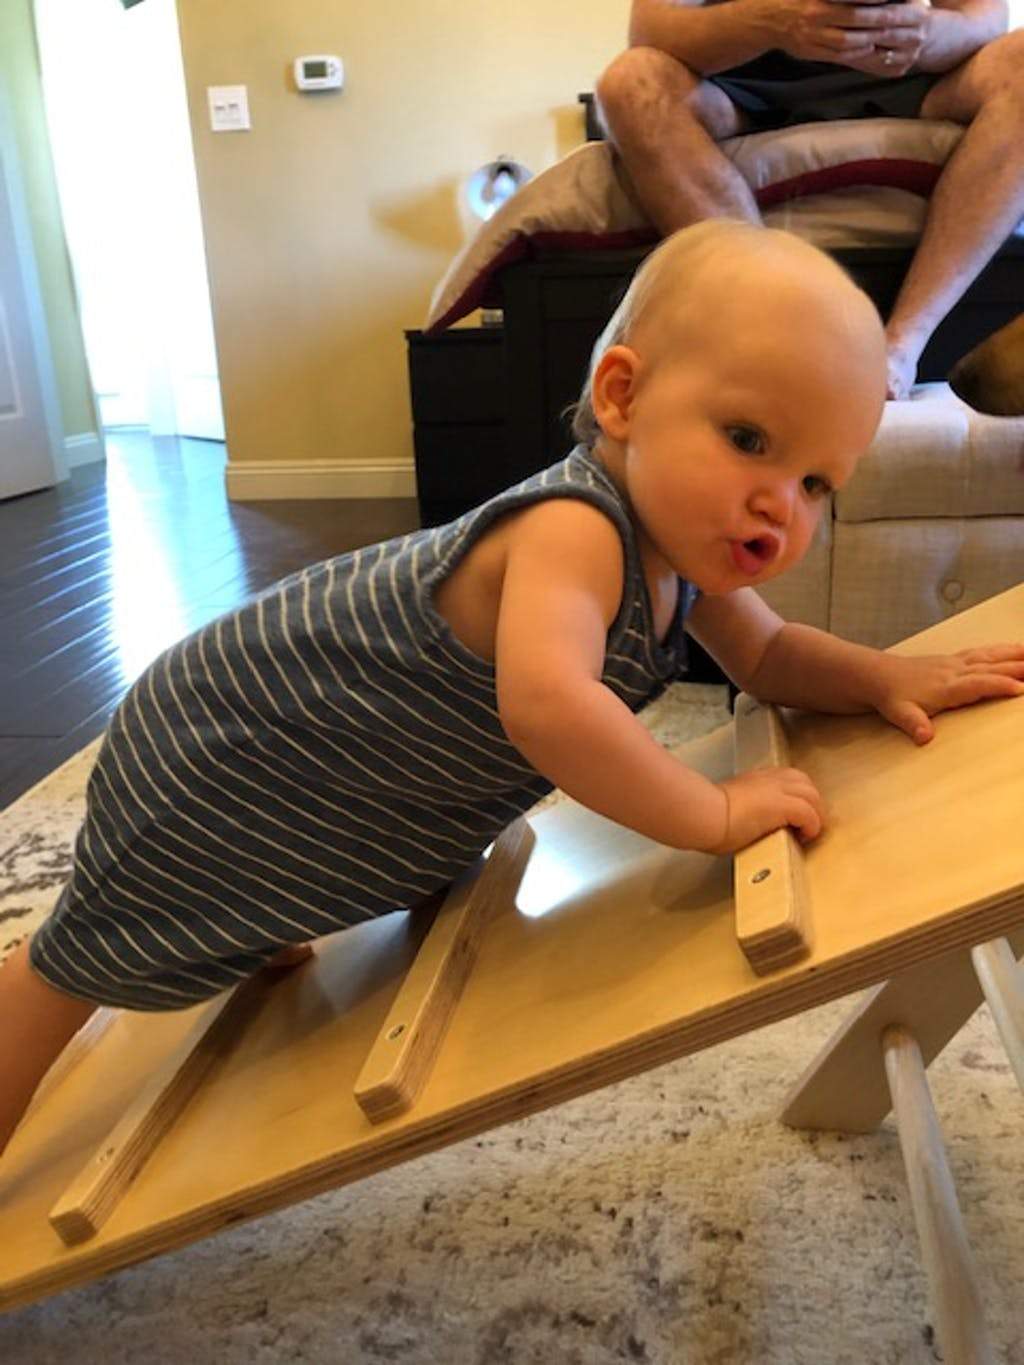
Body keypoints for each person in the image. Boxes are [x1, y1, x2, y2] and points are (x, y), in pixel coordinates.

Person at [2, 221, 1023, 1159]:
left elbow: (770, 660)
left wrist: (891, 672)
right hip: (228, 747)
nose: (779, 503)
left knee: (294, 879)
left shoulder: (683, 560)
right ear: (621, 397)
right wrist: (710, 813)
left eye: (815, 483)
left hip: (334, 762)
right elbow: (547, 708)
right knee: (86, 959)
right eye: (751, 441)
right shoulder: (574, 530)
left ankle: (258, 909)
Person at [595, 0, 1024, 399]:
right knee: (630, 82)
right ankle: (777, 337)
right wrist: (773, 22)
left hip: (909, 79)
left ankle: (902, 344)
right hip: (741, 91)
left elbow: (983, 17)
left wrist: (924, 35)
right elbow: (650, 30)